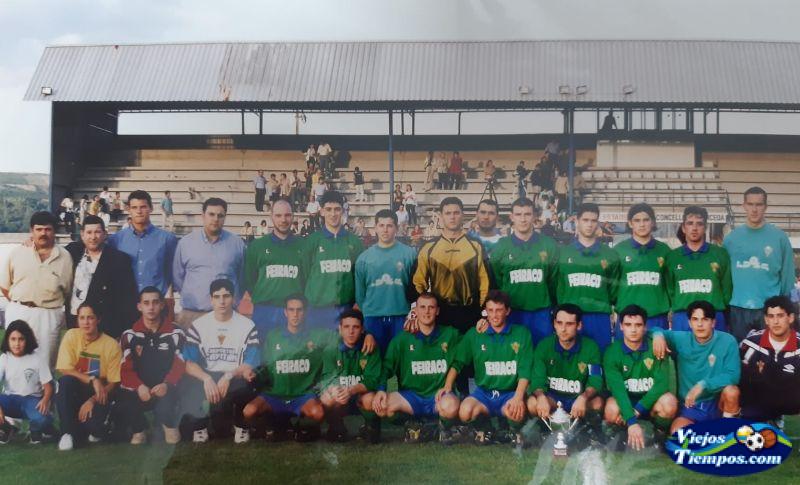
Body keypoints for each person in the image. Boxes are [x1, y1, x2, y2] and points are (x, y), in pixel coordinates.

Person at [440, 291, 533, 445]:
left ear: (507, 311)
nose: (494, 315)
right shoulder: (475, 334)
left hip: (509, 394)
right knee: (465, 412)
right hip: (484, 394)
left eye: (499, 310)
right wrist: (448, 386)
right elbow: (458, 362)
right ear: (485, 312)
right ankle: (485, 427)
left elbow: (525, 369)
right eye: (490, 310)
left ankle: (512, 429)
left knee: (516, 413)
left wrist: (518, 397)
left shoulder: (521, 334)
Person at [244, 295, 334, 443]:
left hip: (302, 395)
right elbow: (264, 367)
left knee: (318, 413)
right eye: (291, 310)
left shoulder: (317, 336)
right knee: (249, 411)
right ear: (285, 312)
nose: (295, 314)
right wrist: (254, 374)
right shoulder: (273, 336)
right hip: (275, 394)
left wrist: (367, 335)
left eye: (299, 310)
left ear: (305, 312)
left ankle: (301, 426)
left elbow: (342, 339)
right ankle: (273, 424)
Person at [373, 293, 461, 443]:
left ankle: (441, 427)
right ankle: (411, 423)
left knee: (452, 406)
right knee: (382, 406)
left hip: (438, 397)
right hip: (411, 398)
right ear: (416, 311)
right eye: (423, 307)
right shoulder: (401, 339)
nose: (427, 312)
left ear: (437, 311)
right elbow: (386, 367)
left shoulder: (451, 334)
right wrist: (381, 389)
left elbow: (462, 359)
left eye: (431, 307)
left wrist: (483, 324)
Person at [181, 279, 260, 444]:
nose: (222, 301)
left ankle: (241, 425)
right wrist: (206, 378)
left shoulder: (247, 325)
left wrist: (229, 375)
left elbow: (251, 361)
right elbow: (189, 363)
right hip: (209, 374)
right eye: (217, 297)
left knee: (249, 380)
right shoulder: (199, 325)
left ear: (234, 298)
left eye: (226, 296)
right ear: (211, 299)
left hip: (234, 375)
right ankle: (199, 428)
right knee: (188, 383)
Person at [652, 300, 741, 434]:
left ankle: (727, 432)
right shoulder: (681, 339)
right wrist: (657, 335)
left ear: (713, 322)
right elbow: (653, 330)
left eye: (705, 319)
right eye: (695, 319)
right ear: (689, 323)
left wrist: (703, 385)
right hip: (690, 406)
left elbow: (733, 375)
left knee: (732, 391)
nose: (699, 324)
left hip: (717, 403)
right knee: (679, 434)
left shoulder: (728, 341)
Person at [1, 211, 73, 367]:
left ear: (54, 231)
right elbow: (5, 286)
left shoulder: (65, 257)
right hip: (19, 312)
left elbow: (68, 291)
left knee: (46, 363)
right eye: (39, 229)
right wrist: (22, 304)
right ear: (31, 231)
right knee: (15, 362)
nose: (43, 233)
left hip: (48, 315)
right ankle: (13, 392)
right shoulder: (18, 252)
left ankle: (46, 392)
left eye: (48, 229)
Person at [724, 187, 796, 341]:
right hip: (739, 308)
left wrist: (778, 304)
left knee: (769, 356)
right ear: (744, 206)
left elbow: (787, 278)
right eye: (750, 204)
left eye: (759, 204)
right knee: (741, 356)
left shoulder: (780, 238)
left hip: (769, 309)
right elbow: (725, 276)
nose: (754, 209)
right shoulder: (731, 239)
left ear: (766, 207)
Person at [115, 287, 185, 445]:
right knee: (123, 399)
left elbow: (180, 363)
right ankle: (139, 429)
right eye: (146, 303)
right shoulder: (129, 335)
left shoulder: (176, 332)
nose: (151, 307)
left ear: (162, 305)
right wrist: (139, 386)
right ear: (139, 307)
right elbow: (125, 369)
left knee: (171, 437)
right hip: (141, 389)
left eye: (155, 302)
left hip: (166, 388)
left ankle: (169, 425)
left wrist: (167, 384)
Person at [603, 305, 678, 450]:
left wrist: (637, 411)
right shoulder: (612, 352)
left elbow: (661, 385)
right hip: (627, 400)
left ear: (645, 327)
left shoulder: (656, 346)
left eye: (638, 325)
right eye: (628, 325)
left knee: (669, 402)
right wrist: (631, 421)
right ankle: (621, 434)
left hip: (649, 402)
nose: (633, 329)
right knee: (611, 408)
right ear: (621, 327)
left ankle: (660, 435)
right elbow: (617, 390)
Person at [413, 197, 490, 336]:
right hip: (439, 315)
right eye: (448, 213)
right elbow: (418, 283)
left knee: (466, 357)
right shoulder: (428, 247)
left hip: (470, 314)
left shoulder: (476, 246)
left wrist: (483, 312)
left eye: (456, 213)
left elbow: (485, 282)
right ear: (441, 216)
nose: (452, 217)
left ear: (463, 215)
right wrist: (422, 310)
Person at [528, 304, 604, 436]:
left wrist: (583, 397)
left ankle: (586, 432)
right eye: (559, 323)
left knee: (597, 403)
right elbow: (537, 380)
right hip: (553, 399)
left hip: (577, 399)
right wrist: (540, 396)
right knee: (532, 403)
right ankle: (546, 430)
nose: (563, 329)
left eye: (569, 324)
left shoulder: (591, 347)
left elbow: (596, 381)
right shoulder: (544, 346)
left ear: (579, 326)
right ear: (554, 324)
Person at [490, 197, 558, 345]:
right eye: (518, 214)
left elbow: (553, 281)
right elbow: (497, 281)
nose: (523, 219)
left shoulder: (549, 245)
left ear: (534, 216)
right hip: (512, 312)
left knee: (542, 355)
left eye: (527, 214)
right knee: (514, 357)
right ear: (511, 217)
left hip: (541, 313)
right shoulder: (501, 247)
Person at [55, 302, 121, 451]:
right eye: (82, 318)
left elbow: (113, 382)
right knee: (65, 382)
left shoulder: (111, 344)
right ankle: (66, 433)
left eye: (90, 318)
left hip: (100, 393)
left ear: (98, 320)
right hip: (77, 389)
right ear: (77, 320)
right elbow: (64, 368)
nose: (85, 322)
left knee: (94, 430)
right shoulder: (71, 335)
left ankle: (89, 428)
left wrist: (92, 400)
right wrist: (92, 380)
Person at [555, 203, 620, 350]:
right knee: (571, 364)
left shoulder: (610, 255)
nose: (589, 224)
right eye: (585, 220)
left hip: (599, 317)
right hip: (569, 317)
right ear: (576, 221)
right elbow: (557, 287)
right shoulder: (562, 254)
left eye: (593, 220)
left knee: (599, 360)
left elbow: (614, 291)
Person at [173, 198, 246, 329]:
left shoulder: (237, 244)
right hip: (192, 315)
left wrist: (232, 302)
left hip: (227, 316)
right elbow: (178, 278)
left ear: (225, 217)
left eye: (220, 215)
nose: (215, 219)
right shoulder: (186, 243)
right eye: (211, 214)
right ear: (203, 216)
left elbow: (243, 277)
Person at [65, 215, 138, 339]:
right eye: (89, 232)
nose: (93, 237)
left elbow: (127, 298)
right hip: (75, 321)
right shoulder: (72, 251)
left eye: (97, 232)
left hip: (105, 326)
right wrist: (31, 242)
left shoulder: (119, 260)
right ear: (82, 234)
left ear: (105, 234)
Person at [355, 210, 417, 354]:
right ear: (375, 228)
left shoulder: (409, 254)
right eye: (381, 225)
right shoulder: (364, 258)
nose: (385, 229)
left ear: (396, 228)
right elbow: (360, 295)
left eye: (389, 226)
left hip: (401, 316)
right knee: (375, 362)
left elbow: (415, 288)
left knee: (402, 362)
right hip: (372, 318)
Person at [302, 190, 364, 330]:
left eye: (337, 209)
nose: (333, 214)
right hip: (317, 310)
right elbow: (305, 274)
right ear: (322, 211)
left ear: (342, 211)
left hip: (346, 309)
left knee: (343, 350)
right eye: (328, 209)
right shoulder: (312, 241)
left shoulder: (354, 242)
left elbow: (359, 277)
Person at [665, 206, 732, 332]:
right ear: (684, 228)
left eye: (699, 224)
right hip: (683, 318)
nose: (694, 228)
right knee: (682, 352)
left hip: (713, 317)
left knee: (715, 352)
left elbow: (727, 290)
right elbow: (670, 290)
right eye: (690, 223)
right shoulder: (672, 257)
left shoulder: (720, 254)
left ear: (705, 227)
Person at [245, 199, 305, 338]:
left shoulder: (304, 246)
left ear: (293, 216)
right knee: (264, 356)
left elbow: (307, 279)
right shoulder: (257, 247)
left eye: (287, 215)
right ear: (271, 216)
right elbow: (249, 280)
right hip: (265, 311)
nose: (283, 220)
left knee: (293, 356)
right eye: (278, 215)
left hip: (294, 312)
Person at [319, 309, 382, 442]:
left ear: (363, 329)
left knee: (371, 398)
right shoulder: (330, 349)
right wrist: (335, 389)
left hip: (360, 395)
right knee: (327, 398)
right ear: (340, 329)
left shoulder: (370, 348)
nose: (351, 331)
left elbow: (373, 380)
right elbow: (326, 378)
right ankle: (337, 428)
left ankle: (371, 427)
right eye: (346, 327)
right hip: (342, 397)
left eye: (355, 327)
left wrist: (351, 389)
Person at [739, 295, 800, 422]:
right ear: (766, 319)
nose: (775, 322)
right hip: (760, 398)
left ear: (791, 318)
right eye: (771, 316)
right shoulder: (751, 343)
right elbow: (741, 379)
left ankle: (779, 418)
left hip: (791, 398)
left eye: (780, 316)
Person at [108, 190, 178, 296]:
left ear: (151, 208)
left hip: (156, 305)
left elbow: (173, 273)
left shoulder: (167, 239)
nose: (139, 211)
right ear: (129, 210)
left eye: (143, 207)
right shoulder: (116, 240)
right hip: (126, 303)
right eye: (134, 207)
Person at [613, 203, 671, 331]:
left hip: (657, 318)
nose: (642, 224)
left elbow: (670, 286)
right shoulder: (618, 251)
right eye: (637, 220)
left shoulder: (665, 251)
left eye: (646, 220)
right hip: (628, 319)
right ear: (630, 223)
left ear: (653, 222)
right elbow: (611, 287)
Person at [0, 320, 55, 444]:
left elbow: (49, 386)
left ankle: (35, 430)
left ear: (28, 340)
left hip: (31, 401)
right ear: (7, 340)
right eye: (13, 339)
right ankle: (7, 429)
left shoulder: (37, 358)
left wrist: (46, 399)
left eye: (21, 339)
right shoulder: (4, 358)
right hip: (10, 399)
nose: (17, 344)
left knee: (42, 418)